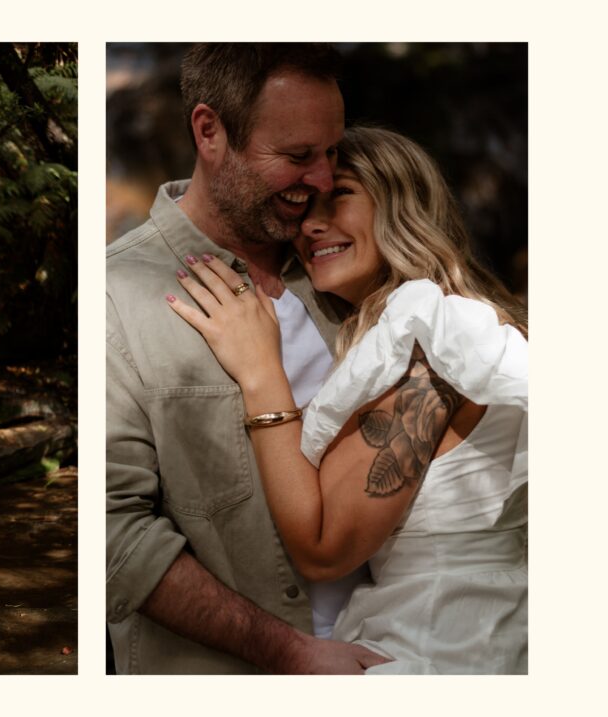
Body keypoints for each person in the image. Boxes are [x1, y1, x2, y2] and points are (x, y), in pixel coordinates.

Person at [168, 126, 528, 673]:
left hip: (444, 639)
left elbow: (323, 547)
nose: (311, 224)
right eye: (305, 206)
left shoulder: (437, 348)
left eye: (340, 197)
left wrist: (262, 372)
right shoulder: (407, 332)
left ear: (404, 209)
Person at [106, 43, 387, 673]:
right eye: (295, 157)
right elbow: (114, 539)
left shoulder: (348, 262)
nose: (319, 180)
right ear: (210, 131)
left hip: (399, 652)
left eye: (331, 153)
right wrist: (292, 653)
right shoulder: (114, 296)